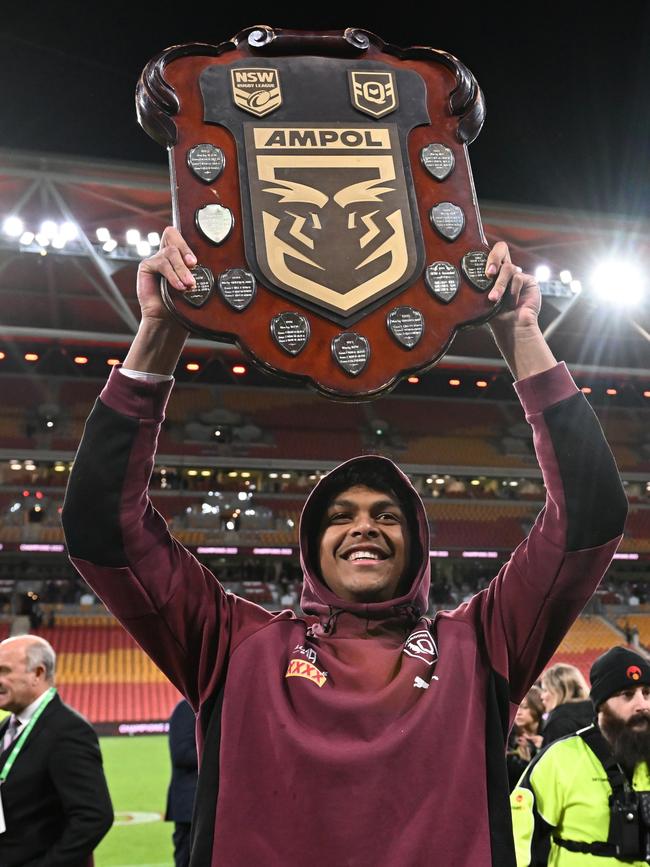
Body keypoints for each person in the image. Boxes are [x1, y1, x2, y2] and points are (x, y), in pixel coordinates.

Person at [61, 227, 627, 867]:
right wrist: (160, 330)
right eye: (340, 516)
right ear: (311, 545)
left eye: (388, 515)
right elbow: (102, 530)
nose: (364, 527)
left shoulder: (479, 645)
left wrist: (520, 336)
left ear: (415, 546)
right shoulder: (233, 645)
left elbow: (589, 518)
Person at [511, 646, 650, 866]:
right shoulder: (559, 759)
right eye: (628, 695)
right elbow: (516, 833)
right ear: (601, 704)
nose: (642, 704)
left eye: (647, 693)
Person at [0, 634, 113, 867]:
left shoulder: (68, 729)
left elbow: (93, 817)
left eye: (4, 671)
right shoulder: (8, 726)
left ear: (37, 674)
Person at [165, 699, 198, 867]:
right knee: (186, 859)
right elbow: (182, 755)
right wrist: (219, 755)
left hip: (203, 804)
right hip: (189, 805)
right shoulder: (185, 709)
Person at [539, 662, 594, 746]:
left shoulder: (557, 722)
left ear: (559, 691)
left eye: (545, 690)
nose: (542, 696)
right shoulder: (599, 711)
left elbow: (555, 758)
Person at [507, 686, 544, 791]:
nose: (518, 712)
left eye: (524, 707)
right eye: (517, 707)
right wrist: (523, 762)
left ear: (537, 707)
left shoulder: (549, 732)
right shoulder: (510, 735)